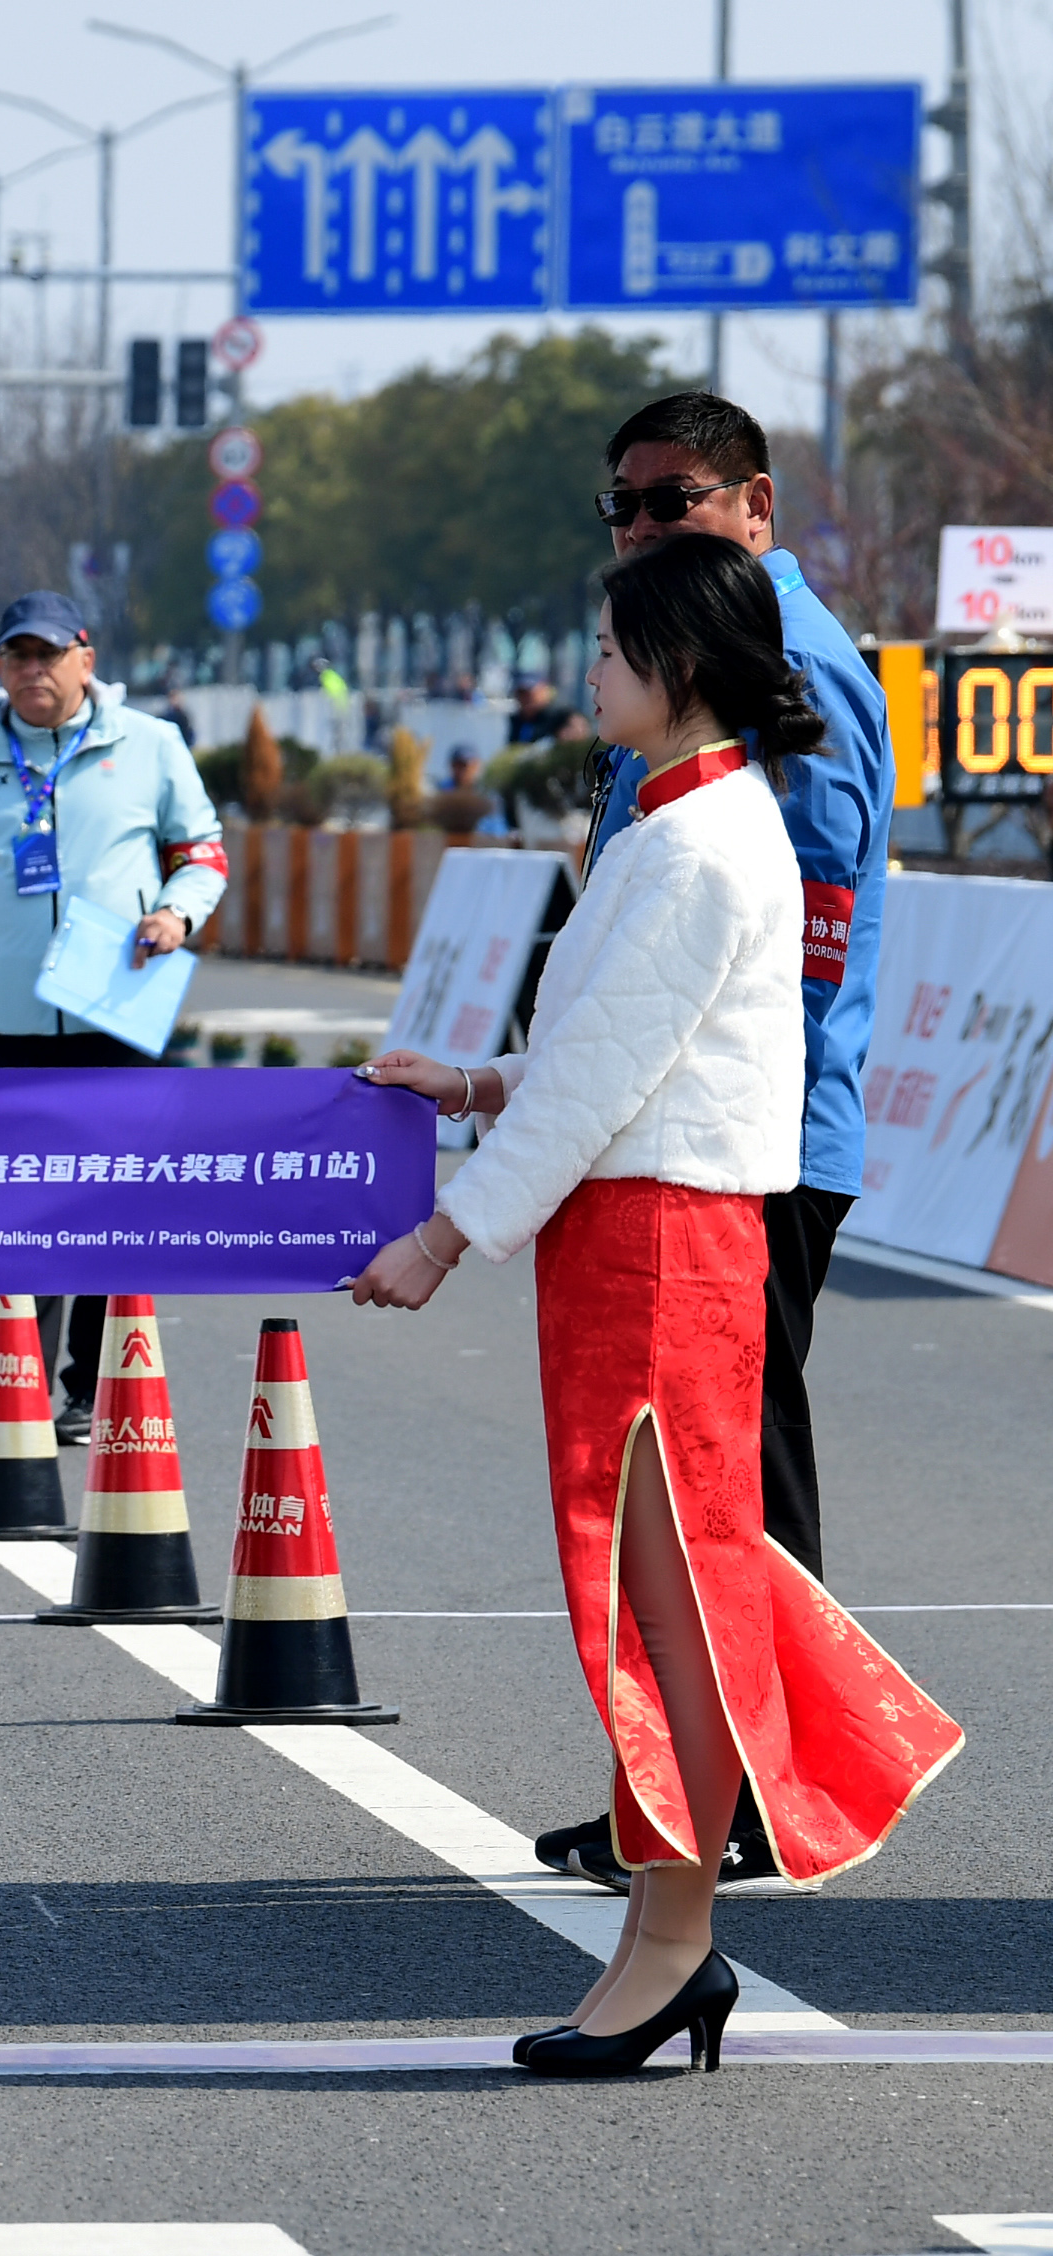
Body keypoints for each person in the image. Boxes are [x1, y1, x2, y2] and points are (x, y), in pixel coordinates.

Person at [349, 533, 960, 2075]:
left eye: (612, 652)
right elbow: (605, 1051)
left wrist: (444, 1234)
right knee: (656, 1599)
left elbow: (607, 1085)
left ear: (680, 667)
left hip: (667, 1251)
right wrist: (472, 1083)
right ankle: (661, 1935)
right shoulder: (678, 819)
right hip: (632, 1243)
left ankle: (677, 1941)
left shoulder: (703, 841)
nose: (590, 675)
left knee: (672, 1609)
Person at [527, 389, 903, 1897]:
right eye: (620, 505)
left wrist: (715, 1108)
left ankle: (743, 1790)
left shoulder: (781, 659)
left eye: (672, 499)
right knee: (684, 1481)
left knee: (726, 1476)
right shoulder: (681, 643)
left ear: (755, 506)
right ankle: (694, 1783)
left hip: (745, 1141)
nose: (640, 527)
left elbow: (797, 939)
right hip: (683, 1132)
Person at [0, 591, 226, 1438]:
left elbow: (203, 853)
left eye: (47, 654)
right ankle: (19, 1384)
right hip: (5, 1027)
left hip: (116, 1019)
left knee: (113, 1213)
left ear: (85, 658)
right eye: (17, 656)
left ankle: (93, 1387)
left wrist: (176, 913)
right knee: (14, 1213)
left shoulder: (150, 745)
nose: (32, 670)